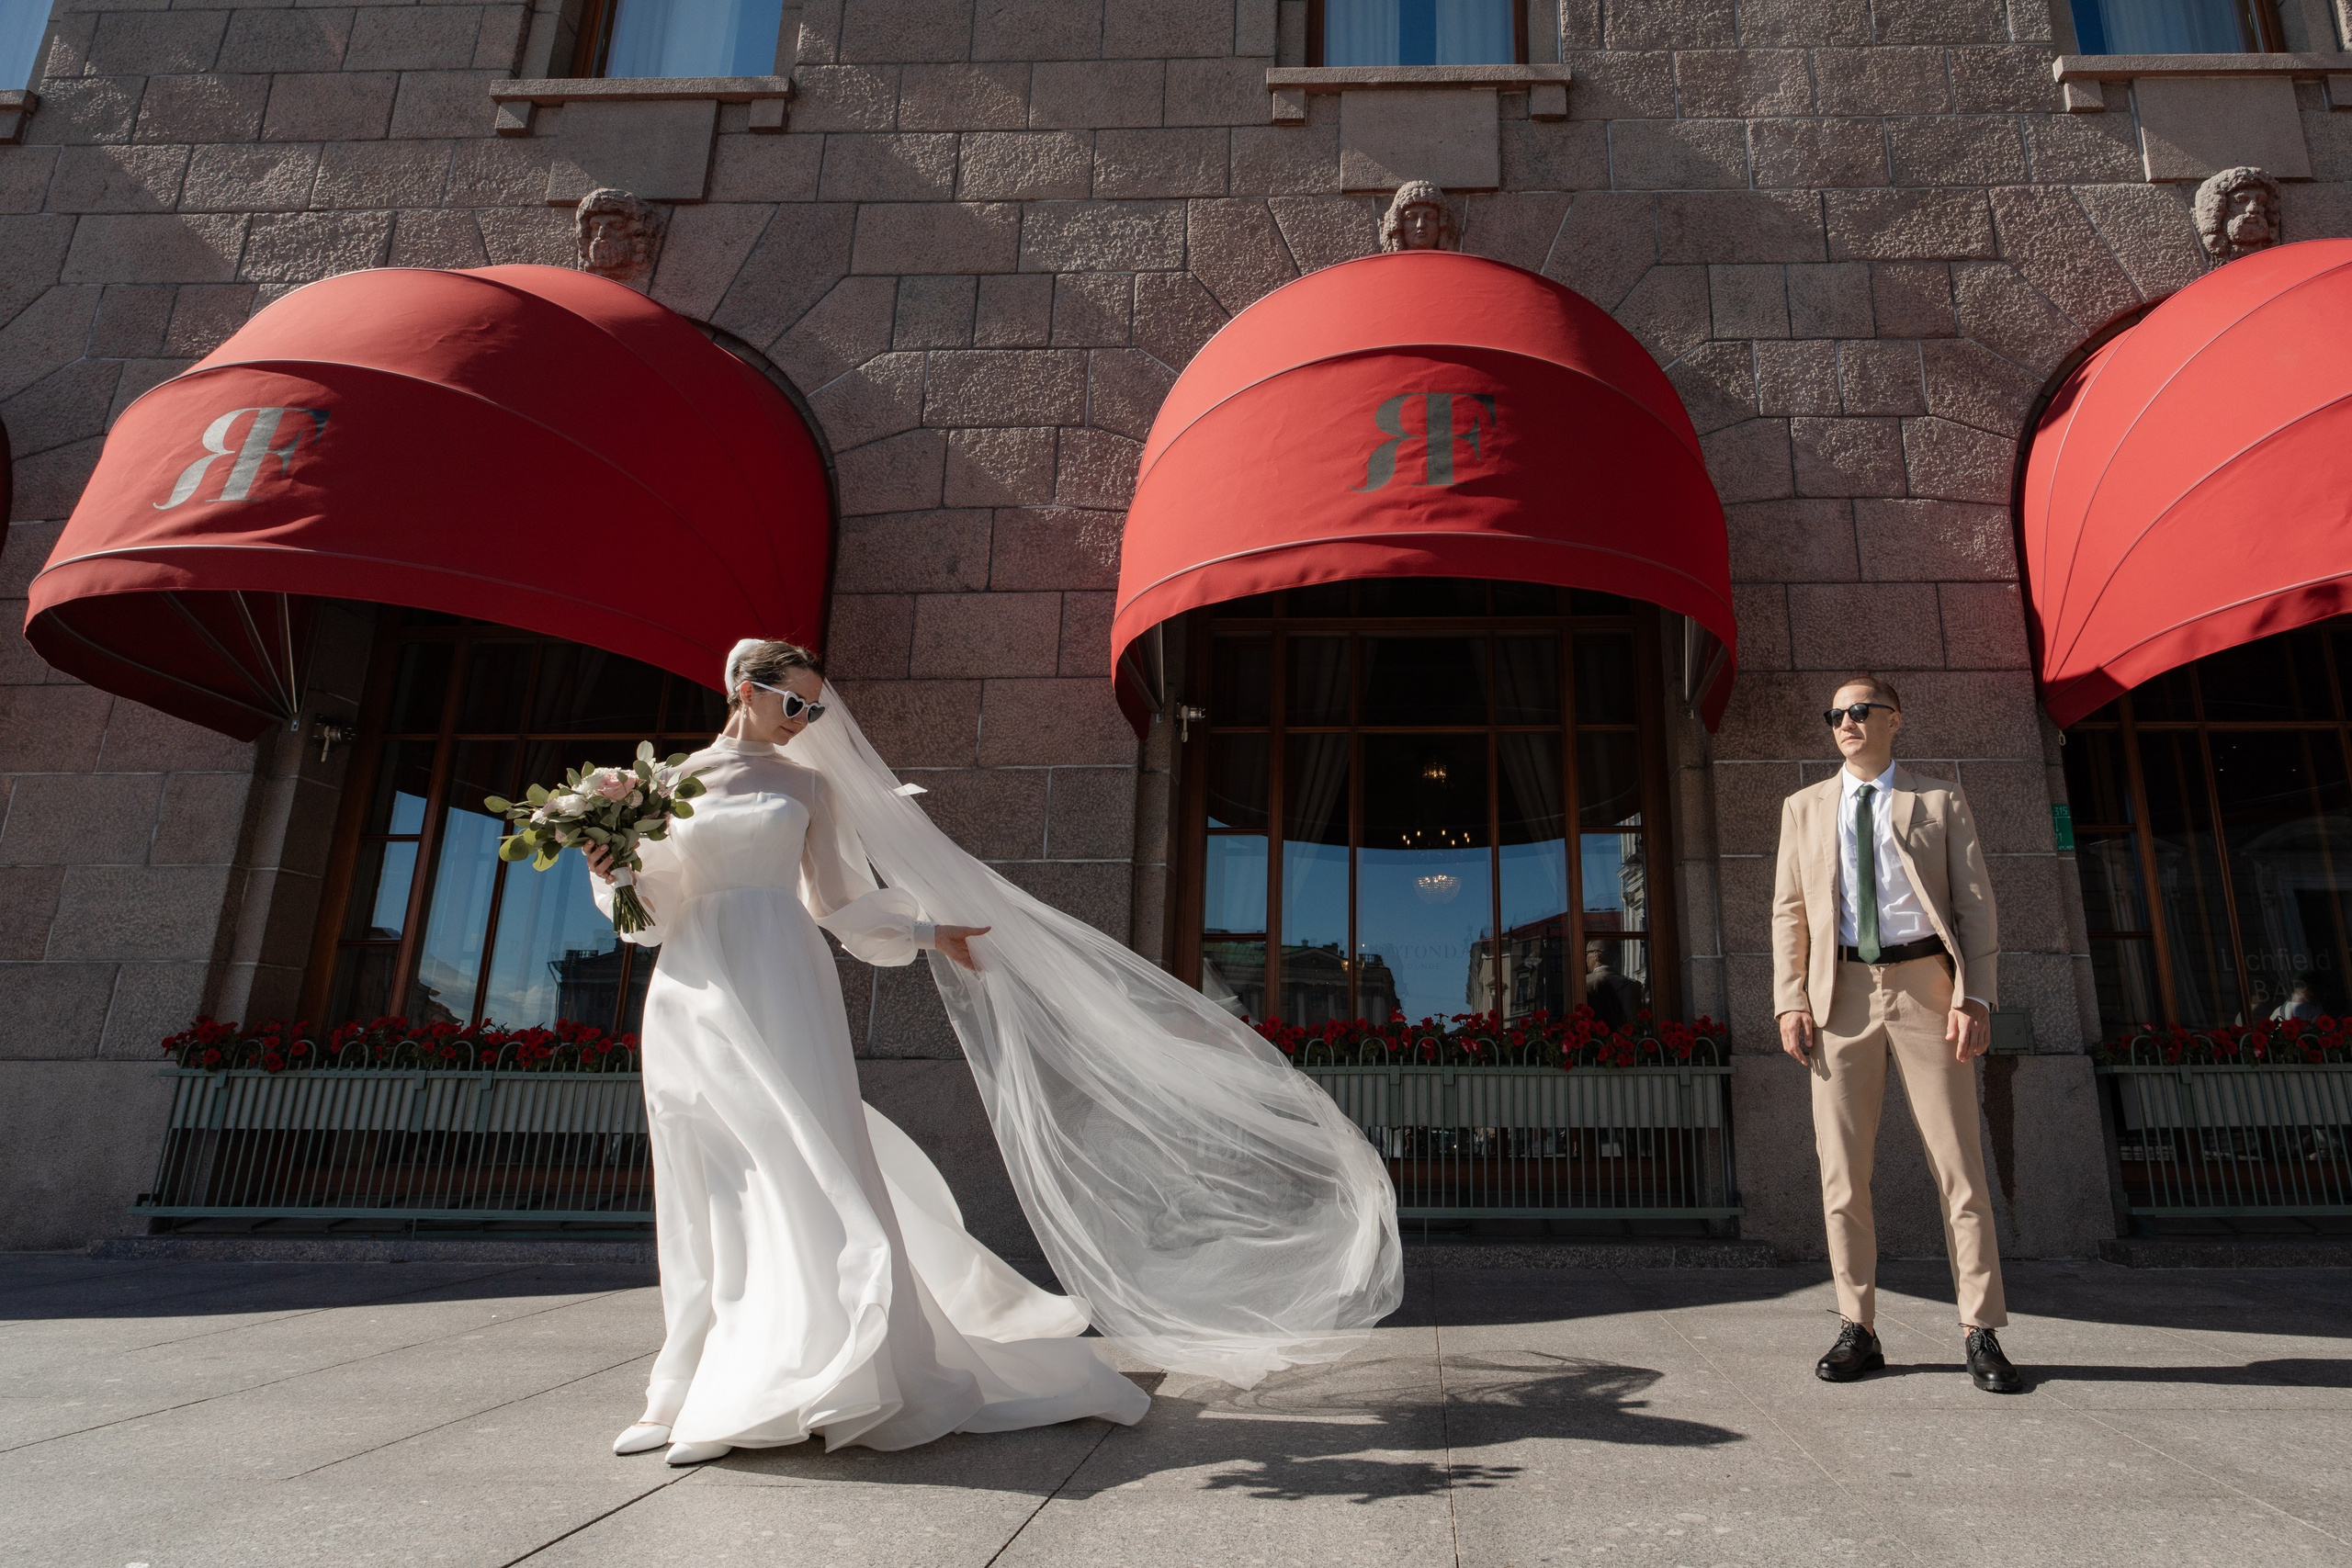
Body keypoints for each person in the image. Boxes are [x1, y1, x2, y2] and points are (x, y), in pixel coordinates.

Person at [585, 638, 1401, 1464]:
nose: (807, 722)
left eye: (815, 709)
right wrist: (611, 870)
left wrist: (928, 932)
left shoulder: (808, 786)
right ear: (743, 691)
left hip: (783, 981)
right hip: (691, 989)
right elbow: (649, 916)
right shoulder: (660, 788)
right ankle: (677, 1388)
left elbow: (838, 901)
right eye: (795, 704)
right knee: (701, 1179)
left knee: (800, 1166)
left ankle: (765, 1382)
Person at [1771, 674, 2023, 1395]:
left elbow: (1976, 904)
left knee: (1960, 1166)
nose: (1845, 723)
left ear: (1894, 719)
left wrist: (1975, 994)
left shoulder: (1937, 799)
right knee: (1841, 1170)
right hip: (1838, 994)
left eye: (1860, 711)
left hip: (1926, 988)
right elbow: (1789, 913)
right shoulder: (1804, 807)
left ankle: (1981, 1328)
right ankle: (1859, 1324)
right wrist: (1791, 1001)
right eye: (1835, 715)